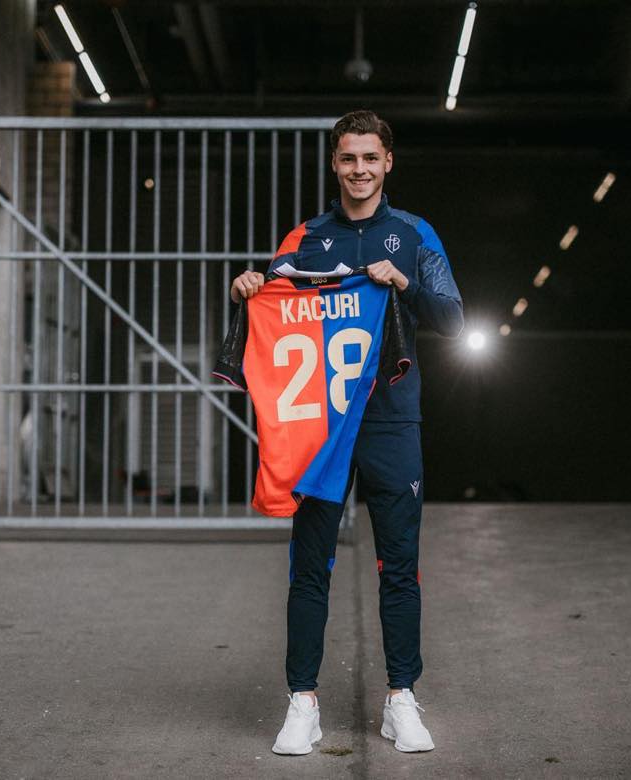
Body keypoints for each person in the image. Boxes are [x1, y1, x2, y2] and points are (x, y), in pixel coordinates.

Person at [230, 110, 464, 755]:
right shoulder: (305, 238)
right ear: (334, 165)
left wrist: (403, 282)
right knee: (310, 564)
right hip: (320, 427)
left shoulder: (413, 234)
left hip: (391, 420)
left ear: (388, 162)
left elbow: (452, 319)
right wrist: (248, 286)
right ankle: (302, 702)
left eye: (370, 158)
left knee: (399, 565)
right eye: (348, 159)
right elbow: (271, 296)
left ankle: (401, 698)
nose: (359, 170)